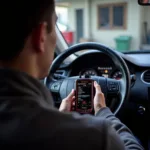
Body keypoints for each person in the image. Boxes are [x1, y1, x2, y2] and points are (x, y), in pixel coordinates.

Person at [0, 0, 143, 149]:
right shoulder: (99, 136)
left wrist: (59, 115)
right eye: (55, 28)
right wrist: (102, 110)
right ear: (41, 36)